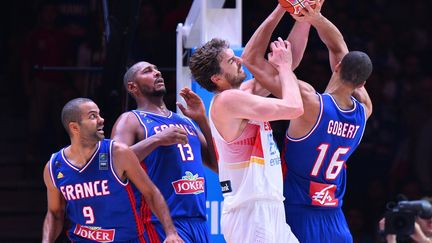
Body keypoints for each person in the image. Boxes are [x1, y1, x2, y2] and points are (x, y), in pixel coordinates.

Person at [243, 2, 373, 242]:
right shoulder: (364, 110)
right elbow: (339, 48)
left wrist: (299, 13)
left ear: (338, 66)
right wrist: (315, 17)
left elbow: (250, 59)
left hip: (298, 215)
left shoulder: (309, 102)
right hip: (336, 221)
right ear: (362, 84)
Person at [188, 4, 307, 241]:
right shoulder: (227, 101)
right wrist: (282, 66)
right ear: (217, 78)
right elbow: (294, 107)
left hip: (269, 207)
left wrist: (305, 16)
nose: (240, 61)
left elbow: (287, 67)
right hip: (250, 214)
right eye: (231, 61)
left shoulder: (243, 94)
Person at [42, 98, 183, 243]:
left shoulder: (118, 153)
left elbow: (151, 193)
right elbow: (55, 213)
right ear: (74, 127)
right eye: (92, 116)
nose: (101, 120)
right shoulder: (54, 167)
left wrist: (171, 233)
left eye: (99, 114)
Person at [111, 62, 218, 242]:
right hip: (160, 222)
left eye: (156, 69)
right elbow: (114, 165)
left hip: (198, 221)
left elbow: (217, 165)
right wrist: (157, 139)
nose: (157, 72)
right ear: (132, 86)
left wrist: (202, 120)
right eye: (148, 71)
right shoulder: (130, 119)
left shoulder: (185, 121)